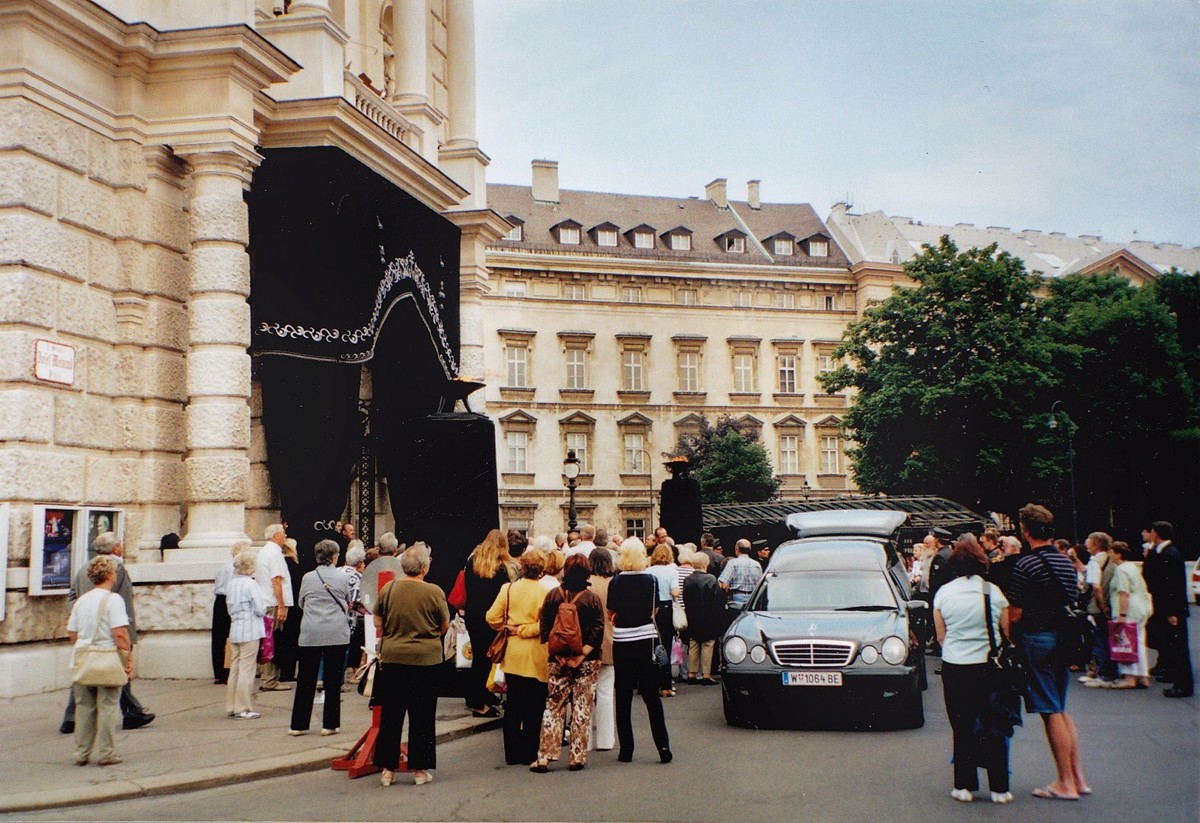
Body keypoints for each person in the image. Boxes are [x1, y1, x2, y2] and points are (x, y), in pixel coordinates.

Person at [1007, 503, 1089, 800]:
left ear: (1025, 530)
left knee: (1050, 710)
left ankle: (1065, 783)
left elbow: (1014, 613)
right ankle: (1078, 777)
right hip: (1064, 638)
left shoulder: (1025, 565)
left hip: (1037, 637)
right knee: (1061, 708)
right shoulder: (1065, 561)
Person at [933, 536, 1015, 804]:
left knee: (962, 725)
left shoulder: (943, 594)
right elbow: (1005, 633)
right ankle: (1000, 787)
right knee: (994, 725)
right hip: (988, 666)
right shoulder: (994, 592)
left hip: (956, 666)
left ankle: (964, 785)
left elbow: (941, 636)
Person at [60, 532, 153, 735]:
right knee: (118, 672)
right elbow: (125, 605)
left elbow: (71, 598)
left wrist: (81, 614)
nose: (121, 547)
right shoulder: (116, 568)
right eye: (119, 544)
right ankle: (131, 712)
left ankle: (70, 717)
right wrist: (130, 638)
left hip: (86, 630)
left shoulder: (84, 567)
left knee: (84, 673)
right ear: (115, 548)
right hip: (110, 629)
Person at [373, 543, 448, 787]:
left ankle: (387, 769)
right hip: (425, 659)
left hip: (394, 658)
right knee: (423, 716)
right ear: (424, 567)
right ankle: (419, 769)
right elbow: (444, 625)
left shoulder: (389, 588)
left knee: (391, 715)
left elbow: (378, 620)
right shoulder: (434, 592)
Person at [533, 554, 605, 772]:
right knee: (582, 708)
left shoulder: (553, 595)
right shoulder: (591, 599)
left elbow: (544, 626)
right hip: (587, 660)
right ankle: (576, 757)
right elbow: (598, 629)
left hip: (557, 660)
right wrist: (582, 654)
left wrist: (558, 654)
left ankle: (545, 755)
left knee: (553, 707)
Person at [607, 538, 671, 764]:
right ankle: (662, 746)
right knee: (652, 696)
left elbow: (610, 613)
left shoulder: (615, 582)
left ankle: (627, 750)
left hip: (623, 639)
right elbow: (654, 610)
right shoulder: (651, 580)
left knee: (623, 696)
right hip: (646, 639)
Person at [67, 554, 133, 766]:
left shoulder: (81, 600)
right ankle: (106, 752)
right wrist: (127, 660)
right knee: (107, 706)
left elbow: (72, 633)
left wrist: (85, 647)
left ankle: (81, 753)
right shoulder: (113, 600)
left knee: (84, 707)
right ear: (110, 575)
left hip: (84, 658)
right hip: (107, 658)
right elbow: (120, 634)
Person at [487, 551, 551, 767]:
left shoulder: (509, 589)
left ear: (522, 567)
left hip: (513, 652)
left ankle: (512, 753)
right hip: (537, 653)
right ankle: (530, 752)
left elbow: (491, 617)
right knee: (535, 706)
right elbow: (545, 626)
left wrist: (507, 628)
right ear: (542, 570)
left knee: (513, 705)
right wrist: (525, 630)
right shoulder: (546, 592)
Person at [290, 539, 352, 736]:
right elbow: (348, 600)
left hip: (311, 632)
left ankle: (298, 724)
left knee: (306, 679)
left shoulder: (308, 577)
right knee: (333, 680)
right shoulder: (342, 577)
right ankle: (330, 724)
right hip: (336, 632)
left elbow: (301, 602)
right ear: (335, 557)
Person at [462, 529, 517, 718]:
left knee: (479, 657)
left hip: (472, 615)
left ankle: (479, 695)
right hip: (490, 618)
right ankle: (476, 701)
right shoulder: (501, 569)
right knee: (487, 659)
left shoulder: (472, 562)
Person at [1143, 521, 1193, 697]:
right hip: (1168, 608)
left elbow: (1173, 586)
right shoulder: (1165, 552)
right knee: (1174, 645)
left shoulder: (1170, 554)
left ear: (1157, 534)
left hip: (1172, 609)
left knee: (1179, 648)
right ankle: (1178, 679)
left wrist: (1173, 612)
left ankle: (1183, 685)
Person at [1104, 541, 1152, 689]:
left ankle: (1129, 677)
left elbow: (1123, 593)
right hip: (1140, 608)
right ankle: (1143, 676)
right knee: (1138, 642)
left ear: (1118, 554)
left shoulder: (1120, 570)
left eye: (1111, 552)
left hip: (1128, 610)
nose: (1109, 554)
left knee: (1125, 643)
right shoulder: (1132, 567)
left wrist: (1122, 615)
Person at [225, 548, 267, 720]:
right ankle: (243, 707)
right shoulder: (250, 584)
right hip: (250, 630)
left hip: (235, 629)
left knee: (235, 668)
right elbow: (260, 608)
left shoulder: (232, 584)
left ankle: (231, 704)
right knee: (246, 670)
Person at [256, 524, 294, 691]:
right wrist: (281, 606)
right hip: (273, 602)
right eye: (283, 533)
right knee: (273, 640)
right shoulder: (274, 554)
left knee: (269, 639)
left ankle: (268, 676)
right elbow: (276, 581)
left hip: (267, 601)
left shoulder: (265, 552)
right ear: (275, 535)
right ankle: (270, 679)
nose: (285, 535)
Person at [587, 549, 617, 751]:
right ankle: (606, 740)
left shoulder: (586, 584)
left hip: (587, 644)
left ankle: (585, 739)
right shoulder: (613, 584)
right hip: (609, 641)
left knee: (585, 694)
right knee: (606, 692)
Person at [1079, 532, 1117, 687]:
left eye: (1089, 543)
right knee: (1108, 639)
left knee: (1099, 640)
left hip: (1098, 607)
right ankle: (1111, 671)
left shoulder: (1095, 562)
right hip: (1111, 602)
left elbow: (1096, 586)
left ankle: (1103, 674)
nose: (1087, 546)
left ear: (1095, 545)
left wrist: (1102, 606)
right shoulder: (1110, 560)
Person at [681, 552, 723, 685]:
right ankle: (706, 674)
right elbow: (717, 600)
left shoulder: (687, 579)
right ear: (706, 563)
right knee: (707, 644)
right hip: (708, 616)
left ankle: (691, 673)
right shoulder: (711, 579)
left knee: (693, 644)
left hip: (692, 615)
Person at [647, 543, 680, 697]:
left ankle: (648, 684)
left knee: (651, 645)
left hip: (651, 608)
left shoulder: (648, 571)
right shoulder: (672, 571)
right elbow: (675, 591)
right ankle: (665, 686)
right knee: (665, 646)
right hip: (666, 608)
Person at [211, 543, 240, 685]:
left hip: (220, 599)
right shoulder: (234, 568)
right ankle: (226, 671)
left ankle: (219, 672)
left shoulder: (224, 566)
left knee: (218, 638)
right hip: (228, 600)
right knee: (229, 637)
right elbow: (233, 588)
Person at [343, 543, 368, 684]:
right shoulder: (358, 577)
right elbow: (358, 599)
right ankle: (355, 671)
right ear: (359, 562)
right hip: (353, 616)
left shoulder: (339, 571)